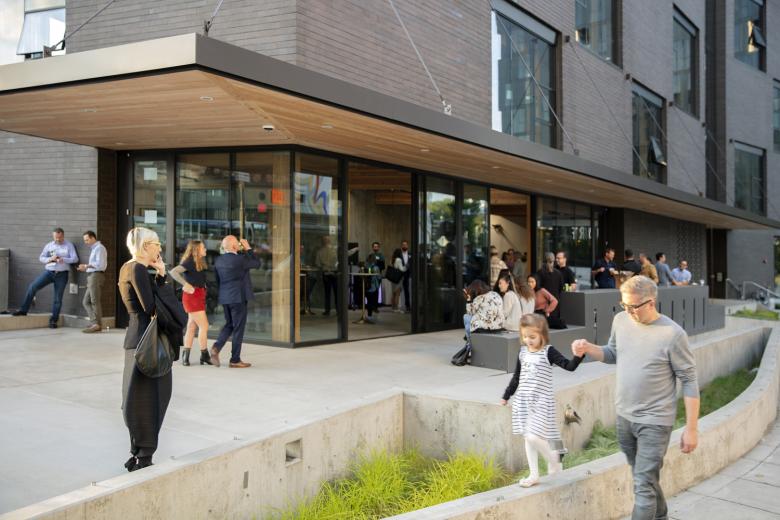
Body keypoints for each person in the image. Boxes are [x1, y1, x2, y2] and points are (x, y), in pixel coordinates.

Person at [572, 275, 699, 519]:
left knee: (642, 484)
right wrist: (588, 348)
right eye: (624, 305)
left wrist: (691, 429)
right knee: (645, 479)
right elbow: (613, 353)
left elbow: (689, 381)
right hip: (625, 417)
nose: (628, 311)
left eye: (633, 307)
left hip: (655, 422)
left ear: (651, 303)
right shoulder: (621, 320)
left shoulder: (673, 334)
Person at [501, 313, 584, 487]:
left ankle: (554, 458)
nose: (528, 340)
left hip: (541, 402)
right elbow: (517, 377)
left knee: (533, 437)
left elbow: (568, 366)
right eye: (525, 336)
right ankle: (534, 475)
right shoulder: (523, 352)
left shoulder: (548, 351)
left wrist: (578, 356)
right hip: (523, 402)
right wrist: (507, 395)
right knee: (527, 438)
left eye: (532, 337)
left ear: (542, 335)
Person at [117, 227, 170, 472]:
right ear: (145, 246)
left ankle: (140, 454)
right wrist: (162, 277)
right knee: (150, 400)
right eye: (156, 244)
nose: (159, 248)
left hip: (136, 339)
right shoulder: (137, 268)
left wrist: (158, 275)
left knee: (136, 399)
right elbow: (150, 307)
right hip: (145, 342)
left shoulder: (127, 267)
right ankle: (144, 457)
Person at [210, 235, 260, 369]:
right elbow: (257, 263)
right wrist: (248, 248)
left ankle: (216, 347)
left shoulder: (219, 260)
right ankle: (235, 360)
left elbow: (217, 280)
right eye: (237, 243)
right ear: (233, 246)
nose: (239, 244)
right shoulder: (240, 259)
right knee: (238, 328)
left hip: (225, 297)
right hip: (238, 298)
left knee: (229, 325)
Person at [13, 227, 79, 328]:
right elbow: (41, 258)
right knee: (32, 287)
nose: (57, 239)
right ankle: (23, 310)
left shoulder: (69, 245)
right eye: (56, 237)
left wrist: (63, 259)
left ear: (63, 236)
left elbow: (75, 259)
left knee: (58, 298)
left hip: (62, 275)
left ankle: (53, 320)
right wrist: (50, 259)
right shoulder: (49, 245)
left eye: (59, 237)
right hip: (49, 272)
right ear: (53, 236)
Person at [169, 240, 212, 367]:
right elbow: (173, 272)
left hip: (198, 295)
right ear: (196, 249)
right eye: (203, 247)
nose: (205, 249)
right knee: (204, 325)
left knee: (192, 326)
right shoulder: (189, 262)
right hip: (192, 297)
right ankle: (204, 355)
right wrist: (185, 284)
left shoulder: (198, 262)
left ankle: (186, 356)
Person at [77, 230, 107, 333]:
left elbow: (100, 265)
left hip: (96, 276)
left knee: (94, 301)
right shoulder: (95, 249)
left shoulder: (99, 248)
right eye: (85, 240)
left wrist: (86, 266)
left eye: (87, 240)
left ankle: (96, 325)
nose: (86, 242)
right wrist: (86, 268)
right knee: (86, 302)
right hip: (92, 276)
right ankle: (96, 323)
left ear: (93, 238)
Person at [463, 279, 504, 348]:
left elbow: (470, 312)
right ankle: (468, 341)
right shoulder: (495, 294)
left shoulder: (479, 298)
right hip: (499, 325)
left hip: (485, 327)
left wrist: (468, 300)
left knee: (466, 317)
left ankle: (469, 342)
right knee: (470, 321)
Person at [537, 252, 566, 328]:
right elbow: (561, 288)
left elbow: (538, 289)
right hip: (555, 305)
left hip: (544, 306)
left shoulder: (540, 273)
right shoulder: (558, 273)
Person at [315, 235, 338, 316]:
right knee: (336, 293)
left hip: (326, 273)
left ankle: (327, 310)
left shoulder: (320, 251)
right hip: (334, 273)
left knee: (327, 293)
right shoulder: (335, 250)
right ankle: (337, 309)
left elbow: (318, 263)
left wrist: (324, 266)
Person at [388, 248, 407, 313]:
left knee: (393, 293)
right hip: (398, 279)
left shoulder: (392, 259)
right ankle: (396, 308)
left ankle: (393, 307)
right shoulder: (399, 259)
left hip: (392, 279)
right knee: (397, 294)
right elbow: (401, 269)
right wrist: (406, 267)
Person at [364, 253, 381, 322]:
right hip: (373, 287)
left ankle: (369, 315)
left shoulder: (365, 266)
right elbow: (378, 277)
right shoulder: (376, 267)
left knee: (369, 301)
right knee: (372, 302)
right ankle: (370, 316)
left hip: (366, 286)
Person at [400, 240, 411, 312]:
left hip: (408, 274)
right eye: (403, 245)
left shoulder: (410, 254)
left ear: (407, 246)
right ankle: (397, 306)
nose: (404, 246)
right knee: (398, 290)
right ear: (401, 246)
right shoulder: (399, 254)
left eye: (405, 245)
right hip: (400, 274)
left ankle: (408, 305)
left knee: (407, 290)